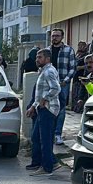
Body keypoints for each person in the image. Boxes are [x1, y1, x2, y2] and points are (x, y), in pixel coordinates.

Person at [26, 48, 62, 176]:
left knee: (45, 139)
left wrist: (45, 99)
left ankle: (47, 168)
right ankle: (51, 162)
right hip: (41, 108)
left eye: (40, 57)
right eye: (36, 57)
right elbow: (39, 94)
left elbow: (56, 88)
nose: (37, 60)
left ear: (47, 59)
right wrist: (33, 106)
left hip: (48, 109)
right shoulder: (43, 71)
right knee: (36, 137)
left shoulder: (49, 72)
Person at [48, 28, 76, 145]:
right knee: (48, 107)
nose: (55, 38)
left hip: (62, 83)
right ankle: (49, 132)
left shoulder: (68, 50)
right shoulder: (47, 51)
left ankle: (58, 134)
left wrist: (66, 80)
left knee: (61, 109)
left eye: (57, 36)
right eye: (53, 36)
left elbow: (73, 67)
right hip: (49, 84)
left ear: (62, 37)